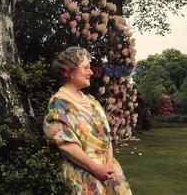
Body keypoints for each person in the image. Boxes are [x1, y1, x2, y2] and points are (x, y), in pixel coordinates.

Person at [43, 46, 133, 194]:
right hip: (84, 175)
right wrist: (96, 169)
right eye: (86, 68)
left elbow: (107, 137)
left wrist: (109, 165)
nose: (91, 72)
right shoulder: (58, 105)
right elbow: (66, 146)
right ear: (70, 71)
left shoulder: (92, 102)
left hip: (109, 172)